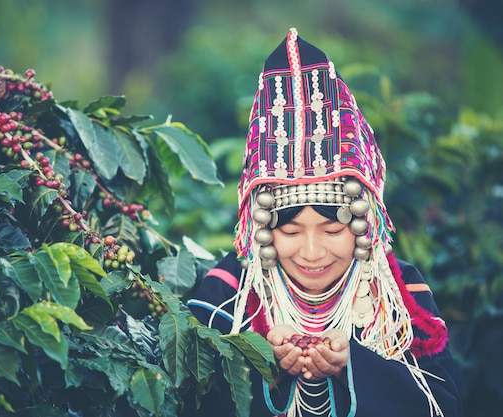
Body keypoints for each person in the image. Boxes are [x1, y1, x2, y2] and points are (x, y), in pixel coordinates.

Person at [187, 28, 464, 417]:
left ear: (363, 225)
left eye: (333, 230)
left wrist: (354, 364)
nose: (312, 252)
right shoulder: (230, 291)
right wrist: (261, 358)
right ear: (262, 228)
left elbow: (445, 406)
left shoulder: (399, 299)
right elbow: (185, 397)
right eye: (290, 230)